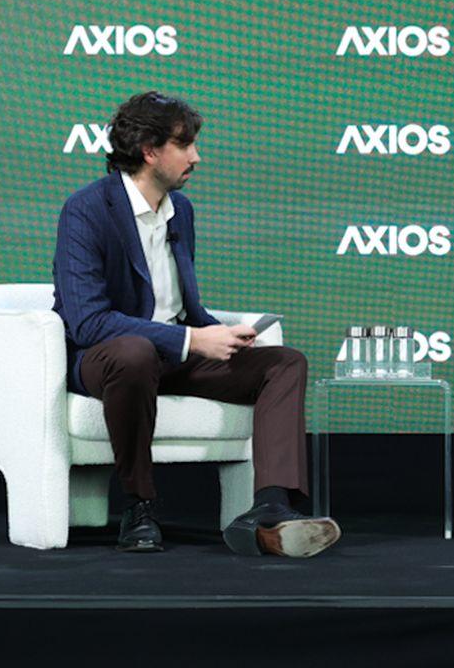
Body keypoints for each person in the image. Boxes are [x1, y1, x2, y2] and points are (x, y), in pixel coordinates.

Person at [52, 91, 339, 557]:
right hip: (107, 361)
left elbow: (179, 305)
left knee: (284, 363)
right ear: (149, 151)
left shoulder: (180, 210)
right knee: (134, 352)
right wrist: (192, 338)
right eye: (184, 145)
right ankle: (139, 505)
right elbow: (88, 322)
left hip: (172, 356)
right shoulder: (86, 210)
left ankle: (269, 507)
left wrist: (219, 335)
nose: (196, 157)